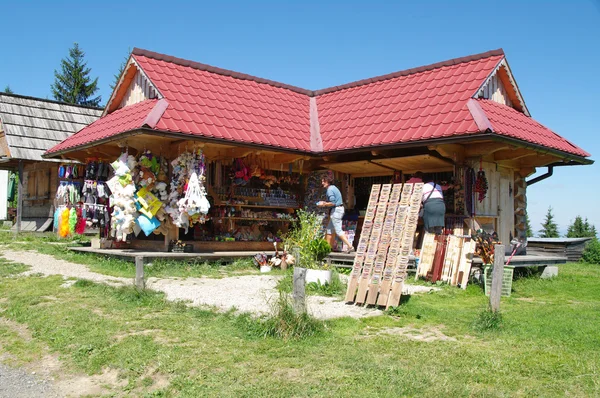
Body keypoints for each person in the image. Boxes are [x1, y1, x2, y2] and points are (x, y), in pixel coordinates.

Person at [317, 176, 355, 253]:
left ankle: (350, 246)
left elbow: (333, 203)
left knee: (338, 230)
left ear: (327, 182)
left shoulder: (329, 190)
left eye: (323, 181)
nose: (322, 183)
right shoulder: (334, 187)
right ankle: (328, 249)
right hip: (338, 209)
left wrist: (323, 204)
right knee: (329, 230)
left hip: (336, 211)